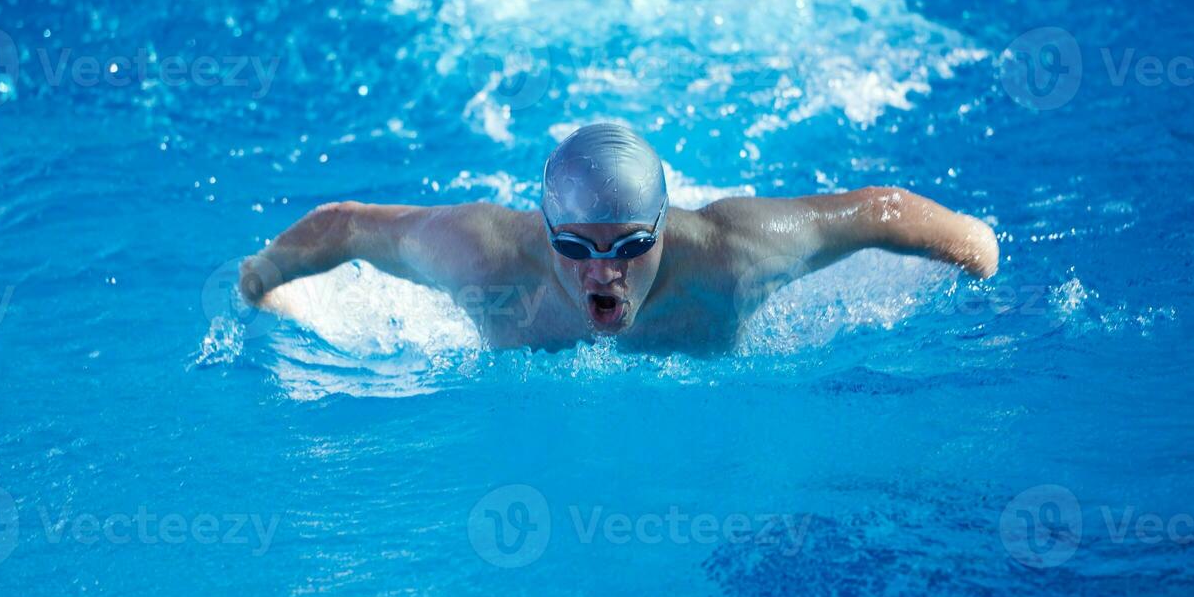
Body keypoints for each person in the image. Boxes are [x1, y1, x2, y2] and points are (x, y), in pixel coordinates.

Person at [239, 121, 999, 354]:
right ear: (545, 233)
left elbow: (877, 211)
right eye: (577, 248)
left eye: (630, 244)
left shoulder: (732, 254)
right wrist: (262, 279)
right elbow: (343, 225)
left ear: (666, 229)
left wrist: (973, 247)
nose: (603, 272)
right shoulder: (483, 255)